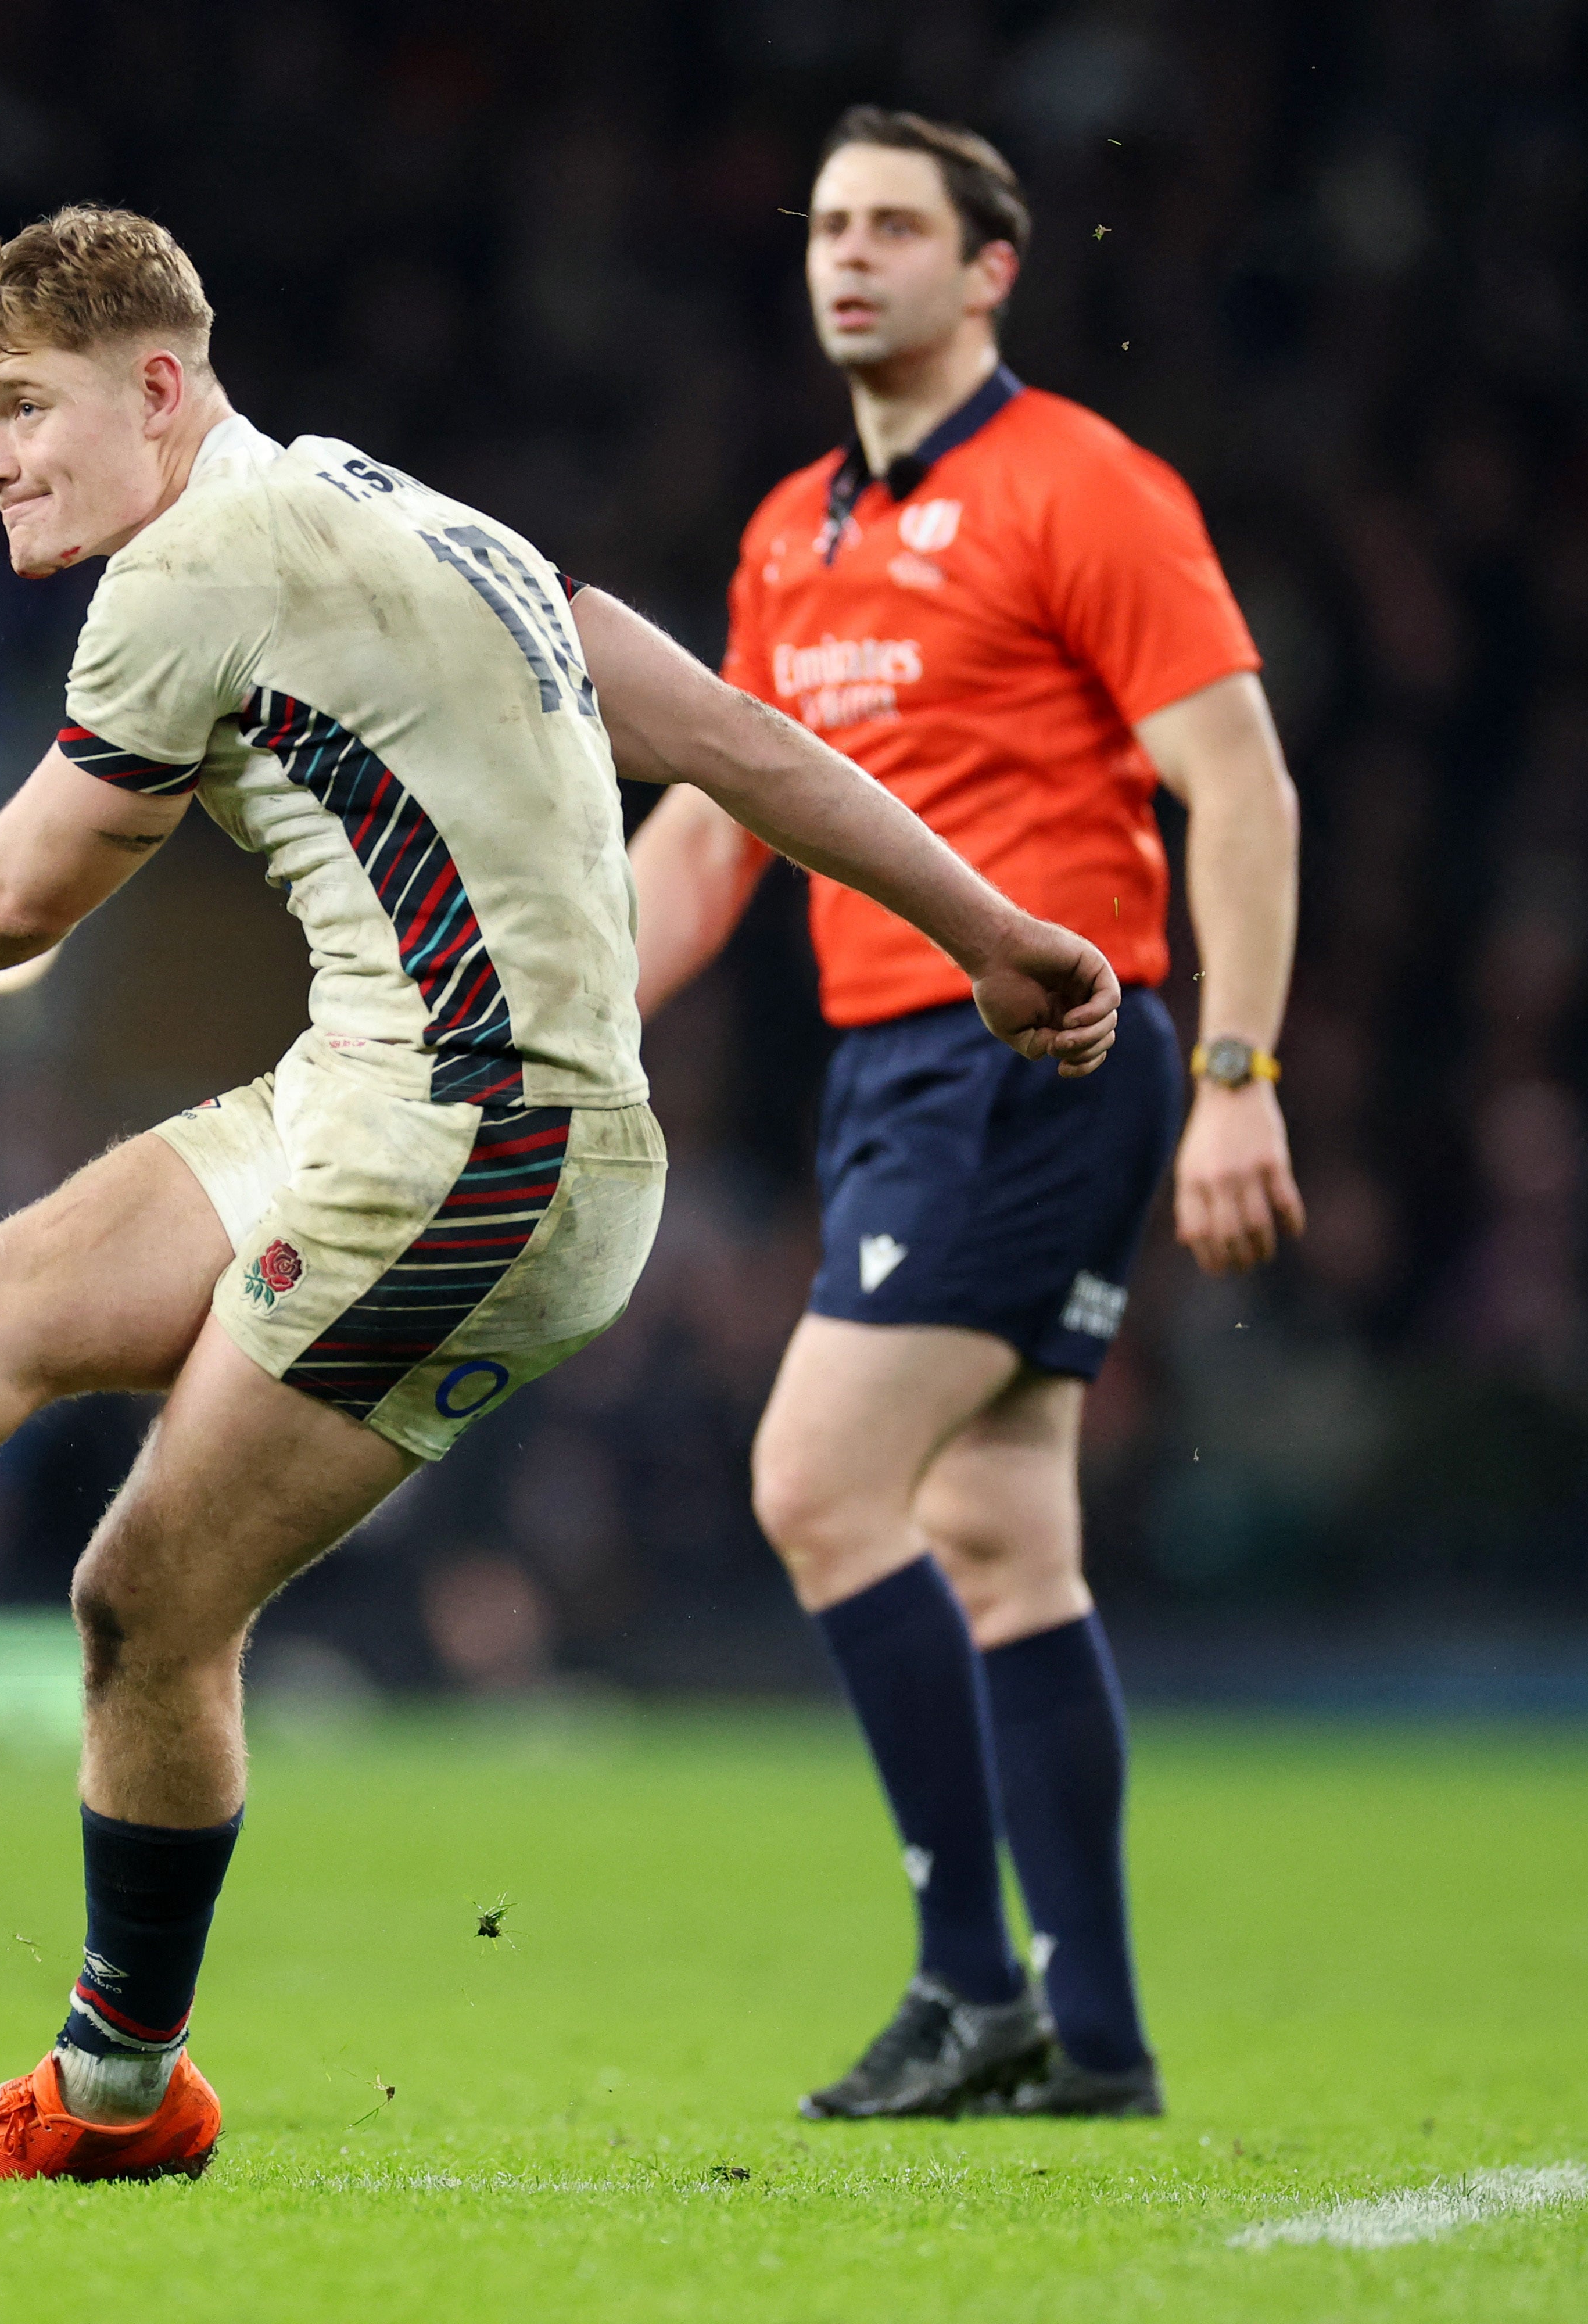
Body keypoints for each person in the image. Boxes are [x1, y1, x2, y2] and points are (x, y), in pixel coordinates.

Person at [0, 204, 1117, 2183]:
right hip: (375, 1089)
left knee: (142, 1602)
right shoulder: (419, 516)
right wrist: (995, 929)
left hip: (483, 1144)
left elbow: (17, 902)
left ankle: (111, 2102)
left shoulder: (182, 576)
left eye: (24, 407)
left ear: (159, 388)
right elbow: (730, 734)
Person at [629, 109, 1306, 2123]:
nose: (851, 257)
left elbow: (1242, 789)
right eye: (829, 223)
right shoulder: (787, 532)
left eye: (898, 227)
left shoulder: (1081, 485)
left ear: (991, 267)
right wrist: (550, 1013)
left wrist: (1247, 1076)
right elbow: (717, 827)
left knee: (817, 1483)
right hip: (890, 1065)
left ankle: (965, 1982)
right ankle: (1091, 2036)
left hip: (1040, 1050)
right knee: (1002, 1541)